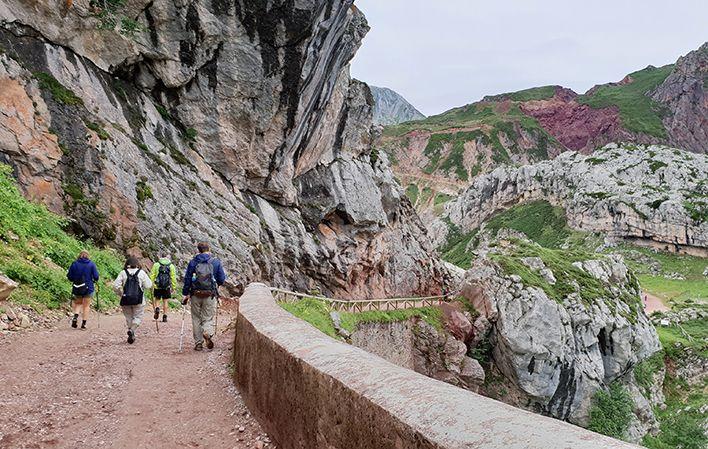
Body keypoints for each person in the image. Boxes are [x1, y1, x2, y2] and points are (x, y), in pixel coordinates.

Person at [182, 242, 226, 351]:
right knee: (207, 317)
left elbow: (187, 279)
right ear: (209, 249)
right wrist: (217, 286)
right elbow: (221, 279)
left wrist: (185, 293)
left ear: (198, 250)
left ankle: (198, 343)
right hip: (209, 295)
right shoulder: (215, 262)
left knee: (196, 318)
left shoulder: (193, 262)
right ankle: (207, 332)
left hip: (195, 294)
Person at [113, 256, 153, 344]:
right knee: (138, 316)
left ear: (127, 264)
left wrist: (121, 294)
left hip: (126, 299)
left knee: (128, 317)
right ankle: (132, 330)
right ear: (137, 264)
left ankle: (131, 331)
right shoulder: (141, 273)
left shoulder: (123, 273)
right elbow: (149, 285)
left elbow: (115, 286)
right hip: (138, 299)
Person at [66, 250, 100, 330]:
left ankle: (75, 317)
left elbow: (69, 276)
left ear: (79, 255)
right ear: (88, 256)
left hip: (77, 287)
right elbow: (96, 277)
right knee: (86, 306)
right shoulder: (91, 264)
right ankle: (83, 324)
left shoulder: (74, 264)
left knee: (78, 303)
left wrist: (75, 279)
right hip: (88, 287)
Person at [149, 255, 177, 322]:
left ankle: (157, 308)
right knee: (165, 301)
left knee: (157, 299)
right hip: (166, 286)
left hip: (157, 286)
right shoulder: (171, 266)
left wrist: (151, 284)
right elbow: (173, 277)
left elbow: (152, 275)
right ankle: (165, 316)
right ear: (168, 258)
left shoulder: (156, 265)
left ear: (160, 257)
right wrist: (174, 287)